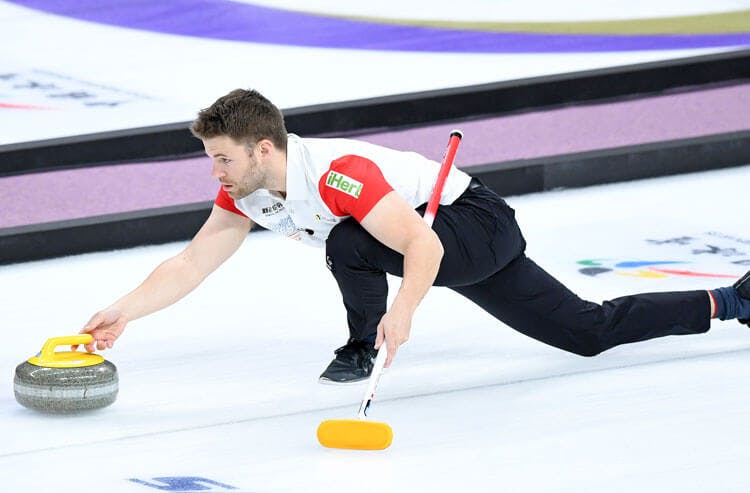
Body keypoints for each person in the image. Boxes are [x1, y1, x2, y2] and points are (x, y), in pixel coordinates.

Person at [77, 88, 750, 384]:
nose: (215, 171)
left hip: (472, 225)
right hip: (434, 243)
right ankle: (730, 301)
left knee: (349, 243)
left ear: (262, 147)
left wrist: (400, 314)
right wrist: (122, 310)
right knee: (585, 330)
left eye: (222, 156)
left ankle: (358, 347)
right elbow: (193, 263)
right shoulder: (244, 190)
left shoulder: (340, 176)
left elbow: (421, 248)